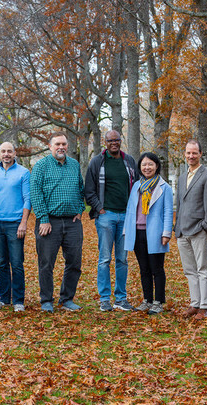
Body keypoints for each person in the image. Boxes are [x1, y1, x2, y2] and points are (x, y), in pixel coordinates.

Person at [30, 132, 85, 312]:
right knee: (46, 263)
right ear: (50, 146)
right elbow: (36, 194)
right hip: (49, 222)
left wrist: (80, 208)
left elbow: (80, 189)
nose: (61, 147)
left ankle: (67, 299)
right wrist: (44, 219)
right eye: (57, 144)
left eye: (64, 144)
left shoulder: (74, 165)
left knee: (74, 262)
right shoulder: (41, 166)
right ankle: (46, 300)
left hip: (72, 223)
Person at [84, 130, 138, 312]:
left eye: (117, 140)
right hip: (106, 216)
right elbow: (89, 190)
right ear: (105, 142)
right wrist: (99, 208)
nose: (114, 143)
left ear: (120, 141)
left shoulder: (129, 161)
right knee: (105, 259)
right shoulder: (97, 162)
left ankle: (121, 299)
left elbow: (136, 185)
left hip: (125, 217)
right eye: (110, 140)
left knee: (122, 259)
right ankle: (105, 298)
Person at [0, 142, 31, 312]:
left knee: (17, 263)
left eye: (9, 151)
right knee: (2, 263)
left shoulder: (23, 173)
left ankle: (18, 300)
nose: (6, 154)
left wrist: (23, 222)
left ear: (15, 153)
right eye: (3, 151)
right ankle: (4, 299)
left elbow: (27, 199)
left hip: (15, 224)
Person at [124, 152, 173, 315]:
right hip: (137, 232)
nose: (147, 167)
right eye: (144, 165)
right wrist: (126, 230)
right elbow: (131, 210)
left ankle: (158, 301)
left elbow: (168, 211)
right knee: (143, 268)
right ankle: (147, 299)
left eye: (150, 164)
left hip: (156, 233)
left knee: (157, 268)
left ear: (157, 166)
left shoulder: (164, 187)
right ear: (140, 167)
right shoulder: (137, 186)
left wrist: (166, 233)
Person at [174, 140, 207, 320]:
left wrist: (205, 226)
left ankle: (205, 306)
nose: (191, 156)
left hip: (199, 230)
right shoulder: (182, 177)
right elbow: (180, 203)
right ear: (184, 154)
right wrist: (177, 227)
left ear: (200, 154)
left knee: (202, 268)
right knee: (189, 270)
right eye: (188, 153)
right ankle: (195, 303)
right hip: (182, 231)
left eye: (194, 153)